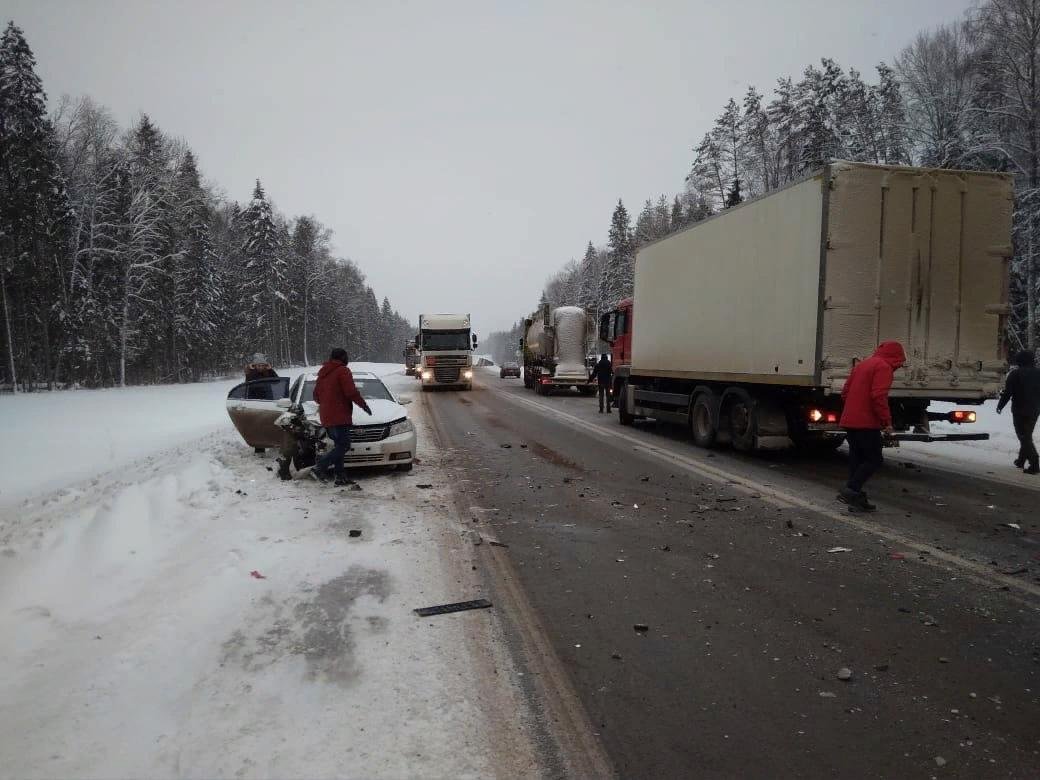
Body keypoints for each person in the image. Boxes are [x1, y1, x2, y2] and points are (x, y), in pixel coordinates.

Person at [837, 341, 906, 512]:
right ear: (896, 356)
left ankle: (856, 497)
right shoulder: (883, 367)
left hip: (850, 420)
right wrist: (886, 422)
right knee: (874, 459)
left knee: (857, 458)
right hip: (866, 423)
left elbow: (845, 392)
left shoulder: (864, 364)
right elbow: (879, 396)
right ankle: (851, 490)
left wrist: (854, 408)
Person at [312, 348, 372, 486]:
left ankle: (340, 477)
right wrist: (363, 405)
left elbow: (315, 395)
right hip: (340, 416)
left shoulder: (323, 373)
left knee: (339, 446)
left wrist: (327, 403)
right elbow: (350, 392)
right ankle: (320, 467)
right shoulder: (343, 370)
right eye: (346, 356)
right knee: (344, 445)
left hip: (327, 417)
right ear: (342, 357)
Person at [996, 349, 1040, 474]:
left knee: (1023, 436)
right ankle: (1021, 460)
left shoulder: (1015, 374)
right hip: (1035, 410)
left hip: (1019, 409)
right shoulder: (1039, 373)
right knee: (1026, 435)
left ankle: (1034, 463)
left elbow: (1008, 393)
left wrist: (1000, 405)